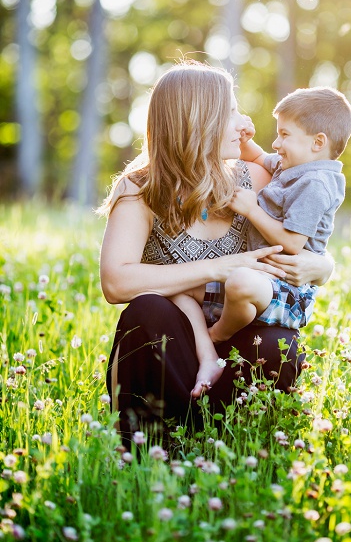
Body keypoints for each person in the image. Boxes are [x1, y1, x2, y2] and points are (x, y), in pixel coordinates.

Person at [99, 61, 334, 447]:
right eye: (231, 111)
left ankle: (234, 448)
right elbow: (115, 282)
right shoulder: (140, 190)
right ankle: (154, 448)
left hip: (235, 337)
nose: (243, 122)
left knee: (278, 343)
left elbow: (308, 233)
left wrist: (325, 265)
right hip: (178, 343)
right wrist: (221, 267)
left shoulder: (255, 179)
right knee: (147, 312)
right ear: (199, 120)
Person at [171, 87, 351, 397]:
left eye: (284, 134)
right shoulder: (294, 166)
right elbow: (256, 156)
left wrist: (252, 209)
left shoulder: (316, 184)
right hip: (263, 280)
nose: (276, 143)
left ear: (317, 142)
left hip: (287, 289)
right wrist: (243, 139)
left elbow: (293, 243)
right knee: (182, 285)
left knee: (240, 282)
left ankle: (218, 336)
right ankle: (205, 352)